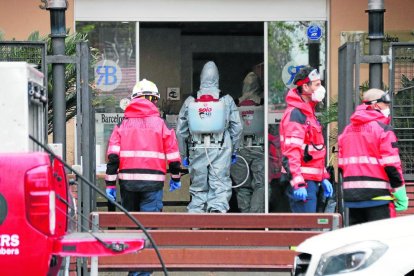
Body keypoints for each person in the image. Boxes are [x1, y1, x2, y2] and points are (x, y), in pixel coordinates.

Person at [105, 79, 182, 276]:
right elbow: (173, 155)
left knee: (132, 229)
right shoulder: (160, 124)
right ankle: (142, 273)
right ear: (153, 100)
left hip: (128, 184)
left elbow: (113, 157)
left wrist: (110, 185)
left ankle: (134, 269)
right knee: (148, 230)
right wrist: (175, 177)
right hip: (153, 185)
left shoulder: (123, 124)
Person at [176, 61, 243, 213]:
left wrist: (183, 154)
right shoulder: (226, 99)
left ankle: (195, 221)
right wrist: (234, 150)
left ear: (201, 78)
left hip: (197, 147)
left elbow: (180, 131)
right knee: (219, 185)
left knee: (198, 187)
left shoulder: (190, 100)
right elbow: (237, 127)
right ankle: (216, 218)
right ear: (217, 78)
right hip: (220, 147)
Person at [338, 88, 408, 225]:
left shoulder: (346, 131)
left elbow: (341, 165)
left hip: (353, 199)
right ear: (376, 105)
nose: (388, 108)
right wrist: (400, 193)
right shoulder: (383, 130)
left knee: (358, 243)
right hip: (379, 197)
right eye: (386, 105)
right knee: (382, 242)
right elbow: (391, 165)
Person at [279, 66, 333, 213]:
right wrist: (298, 182)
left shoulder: (308, 113)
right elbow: (292, 153)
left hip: (311, 181)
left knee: (311, 229)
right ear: (305, 86)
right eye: (317, 84)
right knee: (306, 230)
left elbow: (315, 150)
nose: (321, 88)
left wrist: (323, 177)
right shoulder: (297, 114)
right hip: (303, 183)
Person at [230, 72, 265, 213]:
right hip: (260, 147)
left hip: (239, 148)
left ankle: (246, 220)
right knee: (260, 184)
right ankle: (256, 218)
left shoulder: (234, 103)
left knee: (242, 185)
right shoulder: (264, 102)